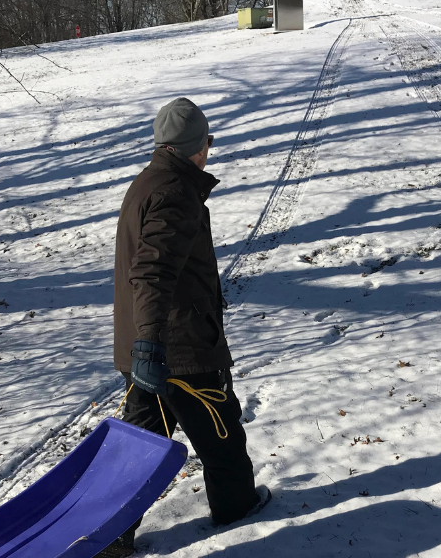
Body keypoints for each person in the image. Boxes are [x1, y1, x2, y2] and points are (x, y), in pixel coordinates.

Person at [102, 98, 270, 557]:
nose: (209, 151)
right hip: (178, 349)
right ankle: (237, 507)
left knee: (139, 449)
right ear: (197, 148)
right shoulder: (175, 193)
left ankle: (110, 537)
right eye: (208, 142)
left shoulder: (148, 182)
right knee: (221, 434)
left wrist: (142, 346)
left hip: (150, 347)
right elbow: (152, 273)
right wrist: (150, 345)